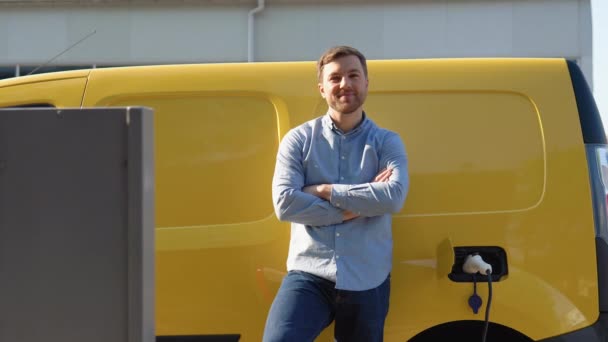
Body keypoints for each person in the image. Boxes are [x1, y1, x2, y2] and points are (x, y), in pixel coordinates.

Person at [263, 46, 409, 342]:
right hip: (309, 275)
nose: (345, 84)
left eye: (353, 75)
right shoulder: (299, 140)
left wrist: (324, 190)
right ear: (322, 88)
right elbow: (285, 203)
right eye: (335, 78)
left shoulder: (387, 143)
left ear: (367, 82)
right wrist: (359, 205)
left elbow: (393, 196)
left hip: (368, 278)